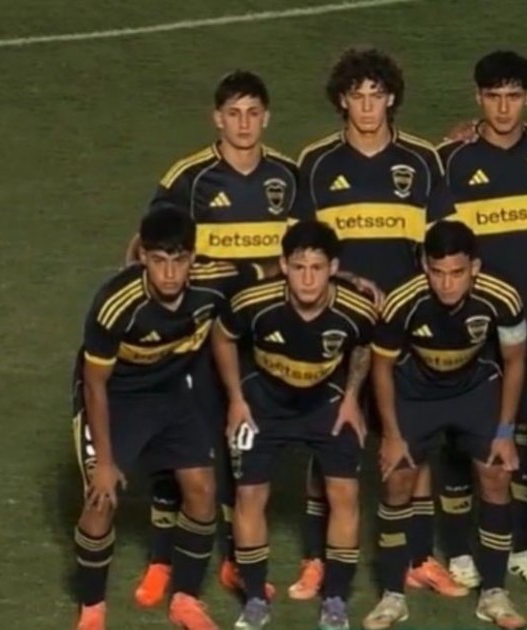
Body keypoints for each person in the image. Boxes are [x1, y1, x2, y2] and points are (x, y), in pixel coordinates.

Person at [293, 47, 462, 600]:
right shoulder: (317, 162)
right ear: (342, 101)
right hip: (336, 329)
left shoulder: (422, 160)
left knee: (413, 443)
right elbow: (302, 250)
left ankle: (418, 557)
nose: (367, 106)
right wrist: (345, 282)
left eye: (376, 95)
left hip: (406, 329)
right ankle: (316, 560)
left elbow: (443, 243)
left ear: (391, 99)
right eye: (357, 96)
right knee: (328, 441)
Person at [127, 70, 298, 606]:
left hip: (258, 341)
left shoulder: (289, 177)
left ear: (266, 117)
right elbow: (144, 247)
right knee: (179, 444)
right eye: (234, 114)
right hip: (195, 339)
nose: (244, 124)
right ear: (217, 119)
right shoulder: (189, 177)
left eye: (253, 113)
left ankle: (234, 559)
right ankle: (161, 560)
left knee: (241, 450)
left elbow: (306, 253)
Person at [434, 49, 527, 588]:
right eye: (493, 97)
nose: (504, 108)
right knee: (458, 434)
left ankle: (521, 543)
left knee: (525, 435)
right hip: (468, 326)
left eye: (513, 96)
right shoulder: (451, 159)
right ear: (478, 98)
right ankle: (458, 549)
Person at [362, 221, 527, 630]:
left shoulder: (503, 297)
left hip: (474, 389)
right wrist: (392, 435)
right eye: (437, 272)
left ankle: (494, 593)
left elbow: (514, 361)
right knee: (398, 478)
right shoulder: (401, 301)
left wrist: (505, 433)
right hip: (415, 392)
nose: (447, 284)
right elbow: (381, 368)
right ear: (425, 265)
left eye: (457, 272)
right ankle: (392, 596)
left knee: (496, 474)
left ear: (475, 267)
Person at [211, 220, 376, 630]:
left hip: (325, 401)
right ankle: (254, 598)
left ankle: (335, 599)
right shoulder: (253, 301)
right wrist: (236, 399)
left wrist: (352, 397)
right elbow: (222, 337)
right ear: (283, 265)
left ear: (332, 267)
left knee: (345, 492)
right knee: (249, 494)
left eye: (317, 268)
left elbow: (363, 346)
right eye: (298, 267)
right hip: (263, 404)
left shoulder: (356, 308)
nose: (307, 278)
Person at [72, 208, 233, 630]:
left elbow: (272, 271)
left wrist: (348, 280)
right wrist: (105, 463)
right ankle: (92, 608)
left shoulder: (215, 283)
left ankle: (186, 599)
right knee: (100, 499)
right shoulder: (115, 304)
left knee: (202, 488)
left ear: (193, 258)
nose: (170, 273)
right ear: (143, 256)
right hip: (116, 397)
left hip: (171, 391)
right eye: (159, 261)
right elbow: (94, 384)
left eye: (179, 261)